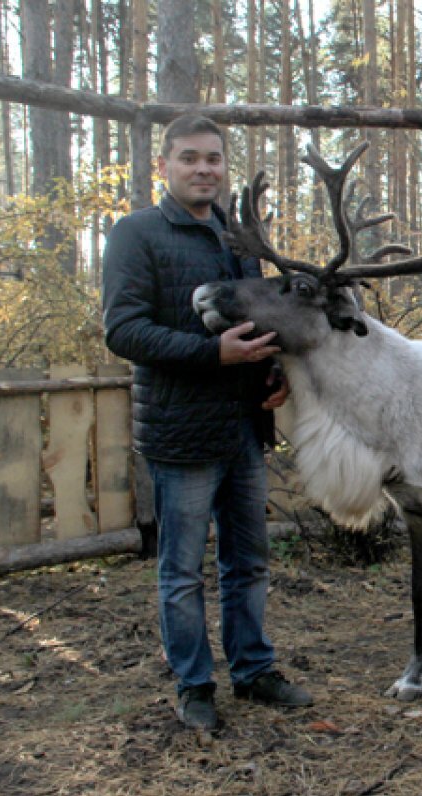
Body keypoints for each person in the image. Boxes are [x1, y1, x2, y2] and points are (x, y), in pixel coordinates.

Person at [102, 114, 313, 730]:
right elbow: (123, 329)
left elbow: (264, 323)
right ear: (164, 166)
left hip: (244, 429)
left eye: (213, 159)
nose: (203, 169)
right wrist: (211, 353)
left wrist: (272, 376)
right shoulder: (135, 234)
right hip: (181, 433)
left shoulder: (241, 239)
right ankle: (195, 686)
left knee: (248, 562)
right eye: (190, 158)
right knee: (181, 571)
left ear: (224, 167)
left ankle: (253, 670)